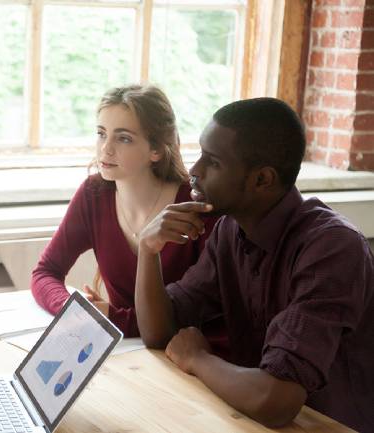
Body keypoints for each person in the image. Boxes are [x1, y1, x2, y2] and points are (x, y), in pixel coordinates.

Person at [135, 97, 374, 431]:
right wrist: (148, 250)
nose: (194, 170)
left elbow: (275, 401)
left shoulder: (331, 248)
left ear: (262, 180)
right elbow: (159, 332)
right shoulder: (229, 230)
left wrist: (197, 358)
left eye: (213, 162)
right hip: (250, 420)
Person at [31, 84, 221, 343]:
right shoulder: (93, 195)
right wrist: (73, 311)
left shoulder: (196, 206)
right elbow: (45, 272)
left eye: (123, 138)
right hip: (121, 350)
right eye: (101, 134)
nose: (105, 149)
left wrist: (109, 318)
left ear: (156, 150)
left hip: (182, 354)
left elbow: (198, 315)